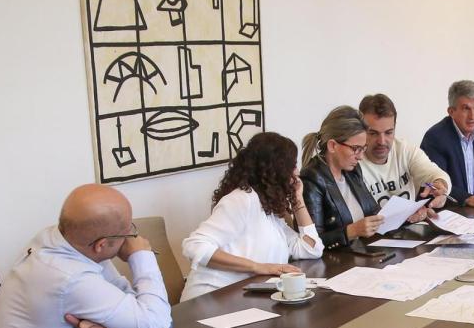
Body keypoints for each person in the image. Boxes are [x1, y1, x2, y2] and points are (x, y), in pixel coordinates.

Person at [0, 184, 173, 328]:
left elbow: (127, 302)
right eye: (129, 231)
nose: (133, 237)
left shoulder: (66, 240)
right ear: (101, 245)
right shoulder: (69, 277)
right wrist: (141, 256)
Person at [179, 132, 324, 301]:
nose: (297, 172)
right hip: (213, 296)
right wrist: (258, 267)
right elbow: (195, 246)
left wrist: (298, 200)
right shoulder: (242, 200)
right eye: (292, 165)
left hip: (244, 297)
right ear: (275, 169)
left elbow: (311, 249)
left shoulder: (268, 208)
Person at [357, 93, 451, 223]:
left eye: (389, 132)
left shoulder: (404, 150)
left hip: (407, 231)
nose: (382, 141)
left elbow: (434, 173)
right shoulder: (353, 160)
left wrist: (440, 185)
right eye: (373, 133)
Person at [301, 106, 384, 250]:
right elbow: (311, 243)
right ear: (332, 145)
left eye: (363, 148)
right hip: (335, 265)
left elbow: (373, 212)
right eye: (355, 149)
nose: (360, 156)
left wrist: (406, 216)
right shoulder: (312, 178)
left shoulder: (352, 170)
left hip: (361, 254)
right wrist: (350, 232)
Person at [421, 80, 474, 210]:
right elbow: (436, 182)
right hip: (451, 210)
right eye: (466, 109)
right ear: (451, 111)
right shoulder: (436, 137)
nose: (473, 116)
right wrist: (467, 198)